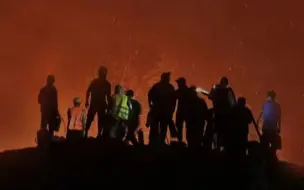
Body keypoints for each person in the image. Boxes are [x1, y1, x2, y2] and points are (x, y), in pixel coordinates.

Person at [208, 76, 236, 151]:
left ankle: (215, 147)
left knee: (216, 130)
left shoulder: (215, 88)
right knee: (224, 131)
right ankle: (222, 147)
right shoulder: (228, 90)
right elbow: (233, 103)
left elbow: (210, 97)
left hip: (217, 112)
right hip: (226, 114)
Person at [147, 72, 176, 145]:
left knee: (156, 126)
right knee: (162, 127)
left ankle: (154, 142)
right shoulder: (170, 87)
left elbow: (149, 95)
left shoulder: (157, 86)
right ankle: (159, 142)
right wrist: (172, 109)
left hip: (158, 110)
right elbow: (173, 100)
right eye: (168, 77)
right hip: (164, 111)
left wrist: (150, 104)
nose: (169, 79)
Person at [229, 97, 261, 161]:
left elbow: (230, 119)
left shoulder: (234, 109)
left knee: (235, 147)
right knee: (242, 147)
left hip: (235, 132)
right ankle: (241, 160)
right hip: (243, 131)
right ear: (244, 103)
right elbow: (250, 121)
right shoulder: (246, 110)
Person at [85, 66, 111, 138]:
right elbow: (108, 96)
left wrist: (87, 101)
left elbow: (88, 91)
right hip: (99, 104)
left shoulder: (96, 82)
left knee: (95, 119)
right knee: (97, 119)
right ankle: (95, 134)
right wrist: (109, 106)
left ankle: (89, 134)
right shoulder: (106, 84)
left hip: (97, 104)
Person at [258, 90, 282, 161]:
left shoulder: (265, 105)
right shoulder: (277, 106)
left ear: (269, 96)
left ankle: (265, 160)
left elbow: (261, 116)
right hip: (273, 129)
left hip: (265, 128)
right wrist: (279, 127)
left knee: (264, 145)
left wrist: (258, 124)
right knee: (273, 146)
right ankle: (272, 161)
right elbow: (279, 118)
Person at [38, 75, 60, 139]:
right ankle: (50, 142)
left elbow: (39, 100)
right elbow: (55, 103)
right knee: (51, 129)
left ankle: (42, 142)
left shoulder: (43, 90)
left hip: (44, 112)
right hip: (51, 112)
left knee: (43, 128)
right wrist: (57, 113)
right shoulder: (54, 90)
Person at [175, 77, 190, 143]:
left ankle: (180, 142)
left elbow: (173, 97)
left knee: (179, 127)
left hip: (181, 111)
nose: (178, 84)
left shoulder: (179, 91)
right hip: (187, 112)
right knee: (188, 127)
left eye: (178, 83)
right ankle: (188, 141)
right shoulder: (189, 91)